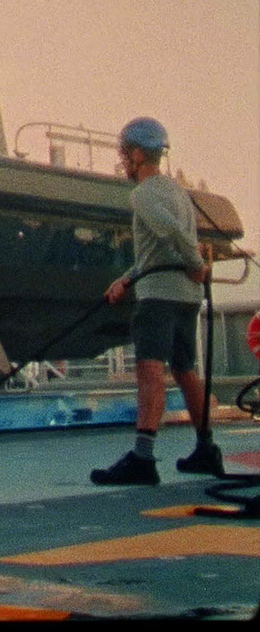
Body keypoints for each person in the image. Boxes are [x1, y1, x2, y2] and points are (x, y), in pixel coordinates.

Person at [90, 116, 223, 485]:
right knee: (186, 370)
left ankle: (143, 459)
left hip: (159, 298)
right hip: (185, 298)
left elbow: (170, 233)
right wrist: (126, 278)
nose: (124, 162)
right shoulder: (179, 191)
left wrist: (197, 264)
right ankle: (206, 449)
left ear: (135, 154)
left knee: (149, 371)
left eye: (125, 155)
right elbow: (158, 252)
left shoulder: (143, 194)